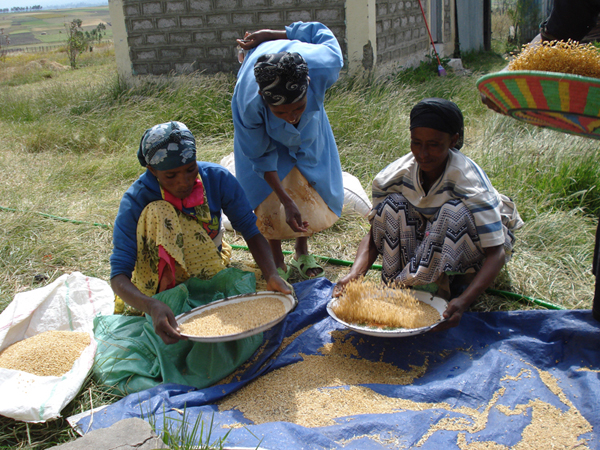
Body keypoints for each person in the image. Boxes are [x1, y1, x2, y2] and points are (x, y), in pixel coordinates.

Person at [334, 98, 524, 330]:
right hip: (428, 239)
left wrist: (463, 302)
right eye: (417, 143)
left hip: (474, 247)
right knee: (392, 206)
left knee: (453, 212)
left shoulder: (469, 182)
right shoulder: (392, 177)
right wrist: (355, 273)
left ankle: (457, 283)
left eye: (434, 144)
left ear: (453, 140)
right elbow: (374, 234)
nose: (423, 154)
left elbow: (497, 253)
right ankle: (409, 287)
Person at [110, 121, 290, 345]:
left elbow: (250, 230)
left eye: (189, 169)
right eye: (171, 176)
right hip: (158, 283)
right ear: (152, 170)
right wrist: (151, 305)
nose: (183, 182)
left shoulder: (216, 178)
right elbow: (118, 276)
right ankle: (168, 299)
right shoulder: (136, 200)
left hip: (207, 269)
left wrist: (271, 274)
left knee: (271, 294)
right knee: (160, 211)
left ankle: (201, 291)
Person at [231, 21, 344, 281]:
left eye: (298, 108)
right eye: (281, 112)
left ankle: (302, 252)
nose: (291, 117)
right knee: (268, 196)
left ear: (309, 84)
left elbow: (319, 31)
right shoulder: (248, 103)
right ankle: (276, 260)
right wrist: (284, 198)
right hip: (263, 141)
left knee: (307, 182)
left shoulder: (323, 65)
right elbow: (260, 156)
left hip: (309, 134)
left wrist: (272, 33)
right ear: (262, 96)